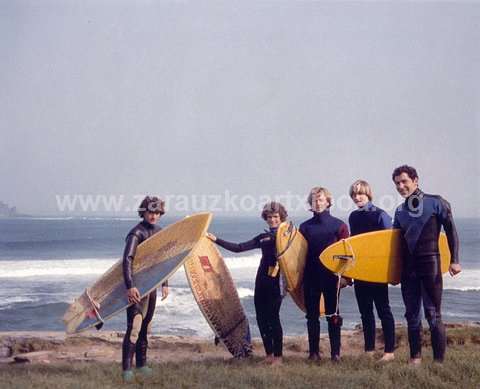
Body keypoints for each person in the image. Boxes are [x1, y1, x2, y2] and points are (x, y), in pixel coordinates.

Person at [392, 165, 460, 364]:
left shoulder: (436, 202)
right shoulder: (400, 211)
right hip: (408, 269)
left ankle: (439, 361)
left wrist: (455, 260)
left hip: (430, 265)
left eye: (404, 181)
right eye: (397, 183)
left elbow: (451, 231)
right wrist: (393, 273)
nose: (401, 186)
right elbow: (396, 245)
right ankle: (415, 358)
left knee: (432, 314)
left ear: (415, 180)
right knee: (411, 315)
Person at [207, 202, 287, 365]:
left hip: (276, 282)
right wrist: (215, 239)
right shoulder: (263, 237)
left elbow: (297, 259)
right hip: (262, 280)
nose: (272, 220)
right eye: (270, 217)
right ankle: (269, 355)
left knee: (273, 318)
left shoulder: (287, 236)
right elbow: (239, 248)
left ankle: (278, 357)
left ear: (281, 218)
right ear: (266, 218)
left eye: (276, 217)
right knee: (261, 318)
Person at [122, 196, 169, 381]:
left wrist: (165, 283)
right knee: (134, 327)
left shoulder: (159, 231)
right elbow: (127, 260)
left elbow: (164, 260)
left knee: (146, 327)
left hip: (152, 287)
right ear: (144, 212)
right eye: (151, 212)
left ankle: (141, 365)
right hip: (137, 288)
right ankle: (126, 369)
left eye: (157, 212)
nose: (154, 216)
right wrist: (130, 286)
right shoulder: (136, 233)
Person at [300, 187, 350, 362]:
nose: (317, 203)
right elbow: (299, 256)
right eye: (314, 200)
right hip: (311, 277)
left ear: (328, 202)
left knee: (333, 315)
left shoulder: (339, 225)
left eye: (320, 200)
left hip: (331, 277)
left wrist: (346, 278)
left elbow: (348, 254)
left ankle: (335, 353)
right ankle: (313, 353)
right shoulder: (304, 227)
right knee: (312, 316)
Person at [348, 180, 395, 362]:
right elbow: (355, 245)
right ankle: (369, 351)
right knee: (365, 312)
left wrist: (390, 272)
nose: (357, 197)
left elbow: (390, 245)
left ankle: (389, 352)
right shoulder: (353, 217)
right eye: (354, 194)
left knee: (384, 310)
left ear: (368, 194)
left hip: (378, 271)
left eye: (360, 193)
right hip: (361, 270)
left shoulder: (380, 215)